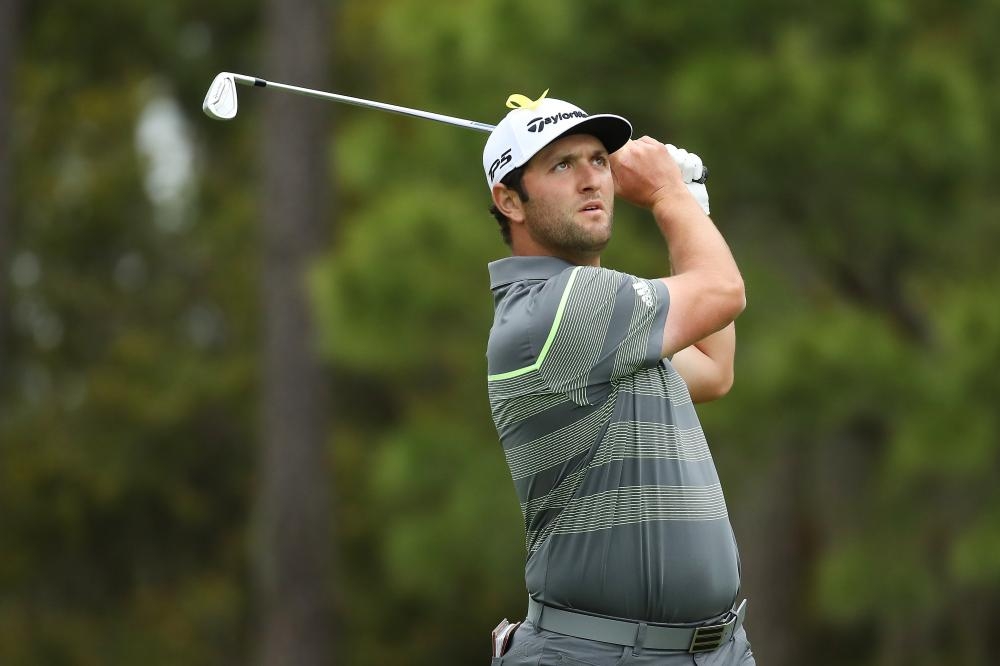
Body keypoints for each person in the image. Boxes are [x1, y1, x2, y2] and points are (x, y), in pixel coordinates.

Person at [483, 91, 753, 665]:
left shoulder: (607, 321)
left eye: (599, 160)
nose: (591, 180)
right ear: (509, 199)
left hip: (716, 653)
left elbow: (713, 368)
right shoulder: (553, 309)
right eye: (562, 165)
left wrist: (691, 205)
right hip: (598, 654)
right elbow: (725, 291)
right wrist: (668, 193)